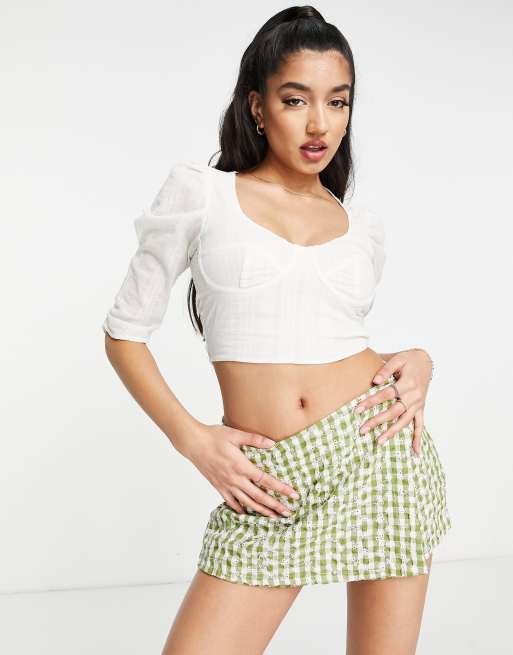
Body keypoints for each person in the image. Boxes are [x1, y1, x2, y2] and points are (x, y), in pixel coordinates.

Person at [102, 6, 451, 654]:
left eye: (337, 102)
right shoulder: (201, 194)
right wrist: (193, 439)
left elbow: (328, 336)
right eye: (296, 100)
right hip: (267, 480)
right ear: (257, 107)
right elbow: (124, 333)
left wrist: (420, 359)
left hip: (378, 454)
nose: (320, 123)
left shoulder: (360, 228)